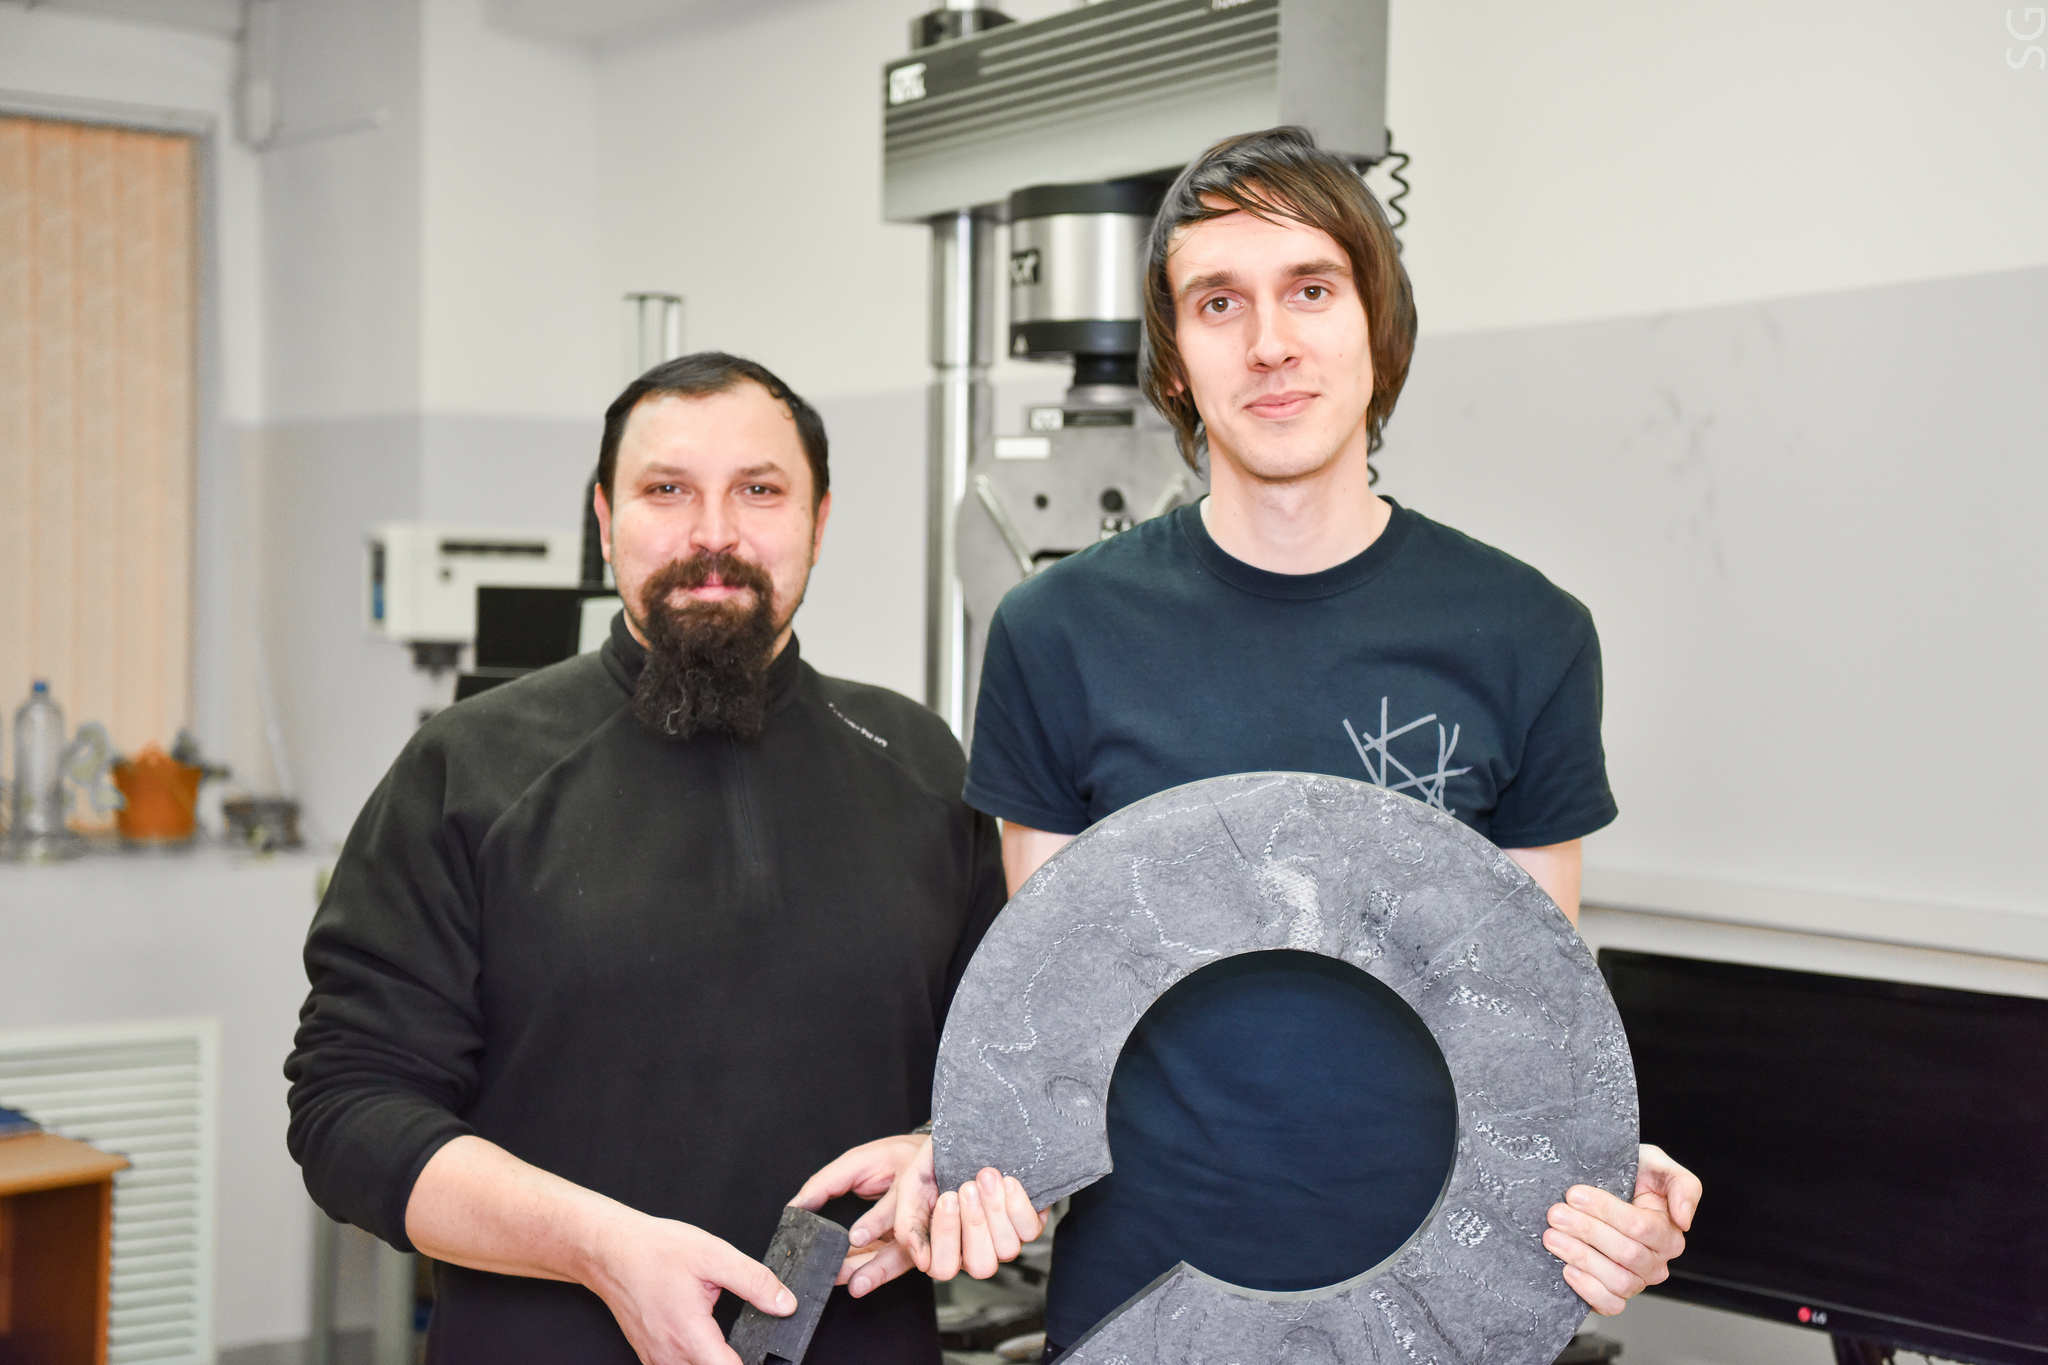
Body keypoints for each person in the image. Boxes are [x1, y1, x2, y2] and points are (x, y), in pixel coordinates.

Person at [800, 127, 1703, 1357]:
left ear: (1377, 327)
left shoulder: (1523, 635)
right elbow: (1054, 1019)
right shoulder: (1058, 634)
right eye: (1218, 302)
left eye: (1310, 289)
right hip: (1141, 1305)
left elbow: (1523, 1026)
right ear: (1174, 363)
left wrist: (1609, 1184)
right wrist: (957, 1156)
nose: (1268, 341)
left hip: (1430, 1313)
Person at [286, 353, 1008, 1365]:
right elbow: (347, 1111)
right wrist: (596, 1248)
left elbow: (1011, 1072)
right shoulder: (467, 769)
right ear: (604, 519)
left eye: (759, 491)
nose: (712, 533)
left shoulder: (920, 764)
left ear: (819, 520)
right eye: (666, 490)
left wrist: (950, 1153)